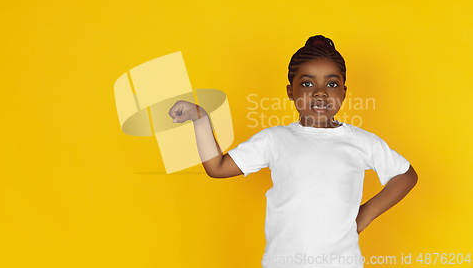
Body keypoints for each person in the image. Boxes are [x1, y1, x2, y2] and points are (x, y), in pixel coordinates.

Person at [168, 35, 418, 268]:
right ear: (290, 91)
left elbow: (406, 175)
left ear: (343, 92)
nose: (320, 92)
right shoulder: (275, 140)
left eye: (332, 83)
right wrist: (200, 119)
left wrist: (365, 215)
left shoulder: (361, 142)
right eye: (307, 83)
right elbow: (217, 167)